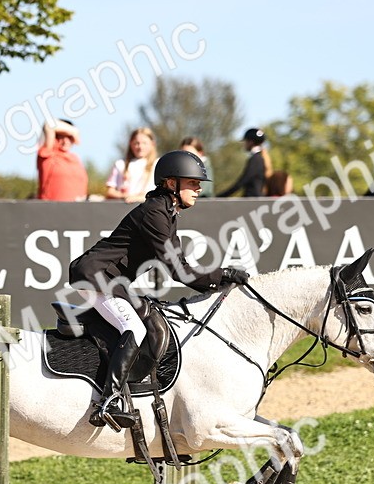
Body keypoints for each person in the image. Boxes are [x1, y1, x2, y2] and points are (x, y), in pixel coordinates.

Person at [68, 150, 250, 429]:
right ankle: (108, 402)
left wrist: (218, 277)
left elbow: (182, 265)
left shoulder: (166, 212)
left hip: (111, 280)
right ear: (170, 183)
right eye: (192, 183)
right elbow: (179, 272)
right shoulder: (154, 213)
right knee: (135, 328)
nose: (199, 189)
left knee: (153, 318)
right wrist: (222, 274)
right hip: (94, 277)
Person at [36, 120, 88, 201]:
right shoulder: (47, 154)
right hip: (51, 210)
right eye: (61, 136)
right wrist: (74, 131)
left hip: (76, 210)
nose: (65, 141)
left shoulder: (76, 159)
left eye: (69, 137)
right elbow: (49, 125)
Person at [105, 127, 158, 203]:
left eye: (144, 143)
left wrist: (139, 198)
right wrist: (125, 196)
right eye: (136, 143)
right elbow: (110, 191)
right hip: (123, 207)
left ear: (152, 144)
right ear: (130, 144)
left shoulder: (157, 164)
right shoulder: (120, 164)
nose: (140, 147)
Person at [217, 127, 269, 198]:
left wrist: (222, 195)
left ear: (251, 142)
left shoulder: (255, 159)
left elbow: (243, 181)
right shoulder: (259, 158)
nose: (244, 144)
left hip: (253, 200)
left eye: (245, 141)